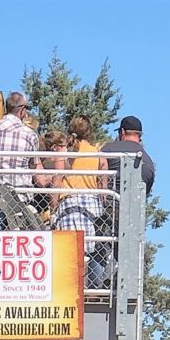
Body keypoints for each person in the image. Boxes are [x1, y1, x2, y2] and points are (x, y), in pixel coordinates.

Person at [53, 115, 108, 289]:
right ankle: (92, 289)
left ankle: (68, 289)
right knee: (94, 252)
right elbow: (103, 188)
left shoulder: (65, 153)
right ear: (89, 132)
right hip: (92, 208)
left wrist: (53, 207)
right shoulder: (98, 154)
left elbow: (57, 180)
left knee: (68, 256)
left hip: (69, 206)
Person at [0, 91, 38, 229]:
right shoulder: (29, 135)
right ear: (22, 110)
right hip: (19, 200)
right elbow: (34, 165)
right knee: (19, 247)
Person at [101, 114, 155, 196]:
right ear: (140, 135)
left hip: (108, 205)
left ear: (122, 131)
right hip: (136, 208)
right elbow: (146, 193)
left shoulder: (108, 150)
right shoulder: (148, 162)